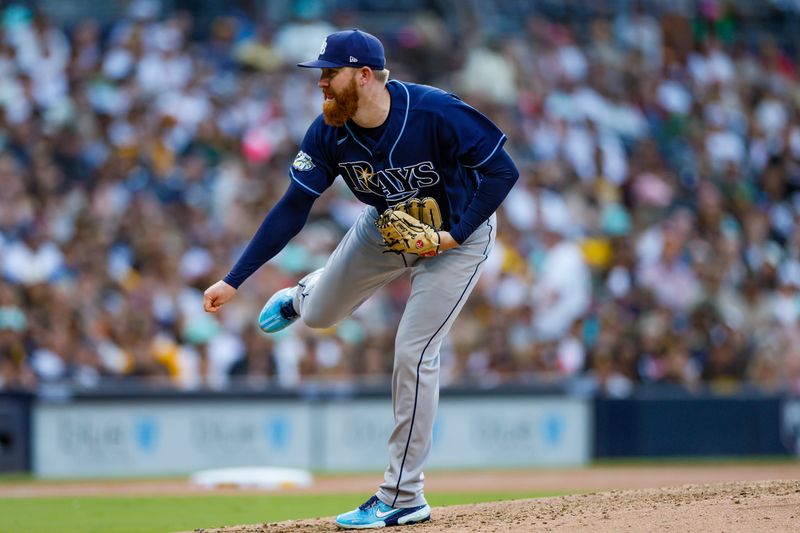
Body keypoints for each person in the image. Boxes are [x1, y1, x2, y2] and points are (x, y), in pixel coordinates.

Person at [203, 28, 519, 529]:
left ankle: (402, 495)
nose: (322, 83)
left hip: (459, 238)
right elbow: (292, 208)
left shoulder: (435, 111)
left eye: (330, 73)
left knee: (414, 353)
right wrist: (234, 279)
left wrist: (452, 238)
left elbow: (502, 171)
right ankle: (305, 294)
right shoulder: (328, 131)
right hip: (387, 224)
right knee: (322, 316)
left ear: (365, 75)